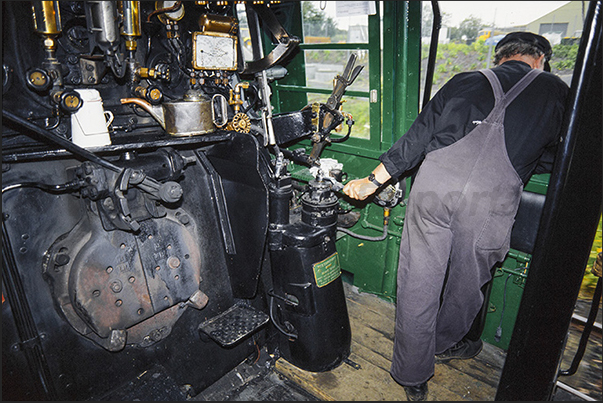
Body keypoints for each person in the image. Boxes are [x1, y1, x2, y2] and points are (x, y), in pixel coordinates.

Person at [342, 32, 569, 401]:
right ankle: (444, 344)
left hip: (433, 186)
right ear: (540, 59)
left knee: (417, 281)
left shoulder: (466, 79)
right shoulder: (557, 92)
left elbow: (418, 137)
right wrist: (523, 161)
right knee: (467, 286)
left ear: (501, 57)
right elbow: (558, 156)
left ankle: (412, 376)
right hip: (491, 201)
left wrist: (372, 181)